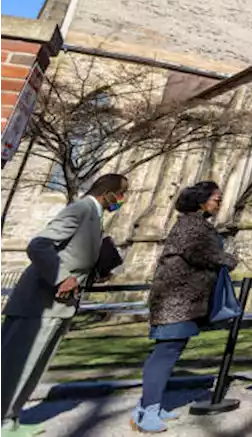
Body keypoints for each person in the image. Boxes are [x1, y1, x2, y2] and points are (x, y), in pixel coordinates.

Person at [0, 173, 128, 435]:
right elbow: (39, 246)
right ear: (108, 194)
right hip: (40, 302)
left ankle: (11, 418)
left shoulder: (95, 216)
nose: (124, 200)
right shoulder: (82, 209)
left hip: (57, 304)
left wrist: (95, 274)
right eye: (123, 193)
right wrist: (62, 278)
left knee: (33, 364)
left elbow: (71, 256)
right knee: (16, 364)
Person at [134, 181, 237, 432]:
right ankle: (146, 411)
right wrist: (228, 259)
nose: (219, 201)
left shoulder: (197, 223)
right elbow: (199, 253)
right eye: (216, 197)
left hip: (184, 298)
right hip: (174, 298)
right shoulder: (191, 224)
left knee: (171, 350)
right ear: (201, 200)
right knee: (166, 352)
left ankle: (151, 404)